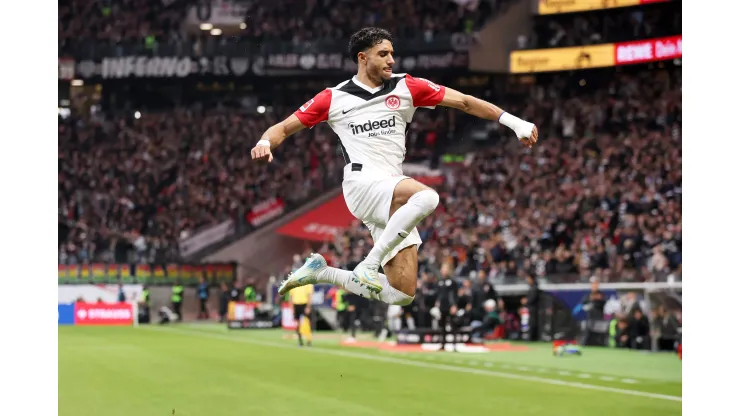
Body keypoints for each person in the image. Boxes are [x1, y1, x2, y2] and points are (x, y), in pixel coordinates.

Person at [256, 27, 538, 307]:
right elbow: (281, 128)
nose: (391, 59)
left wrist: (515, 123)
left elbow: (464, 102)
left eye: (392, 53)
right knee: (427, 196)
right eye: (383, 54)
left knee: (401, 294)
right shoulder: (333, 98)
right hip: (363, 183)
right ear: (363, 58)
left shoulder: (408, 86)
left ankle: (323, 272)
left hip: (392, 190)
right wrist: (265, 143)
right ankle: (369, 263)